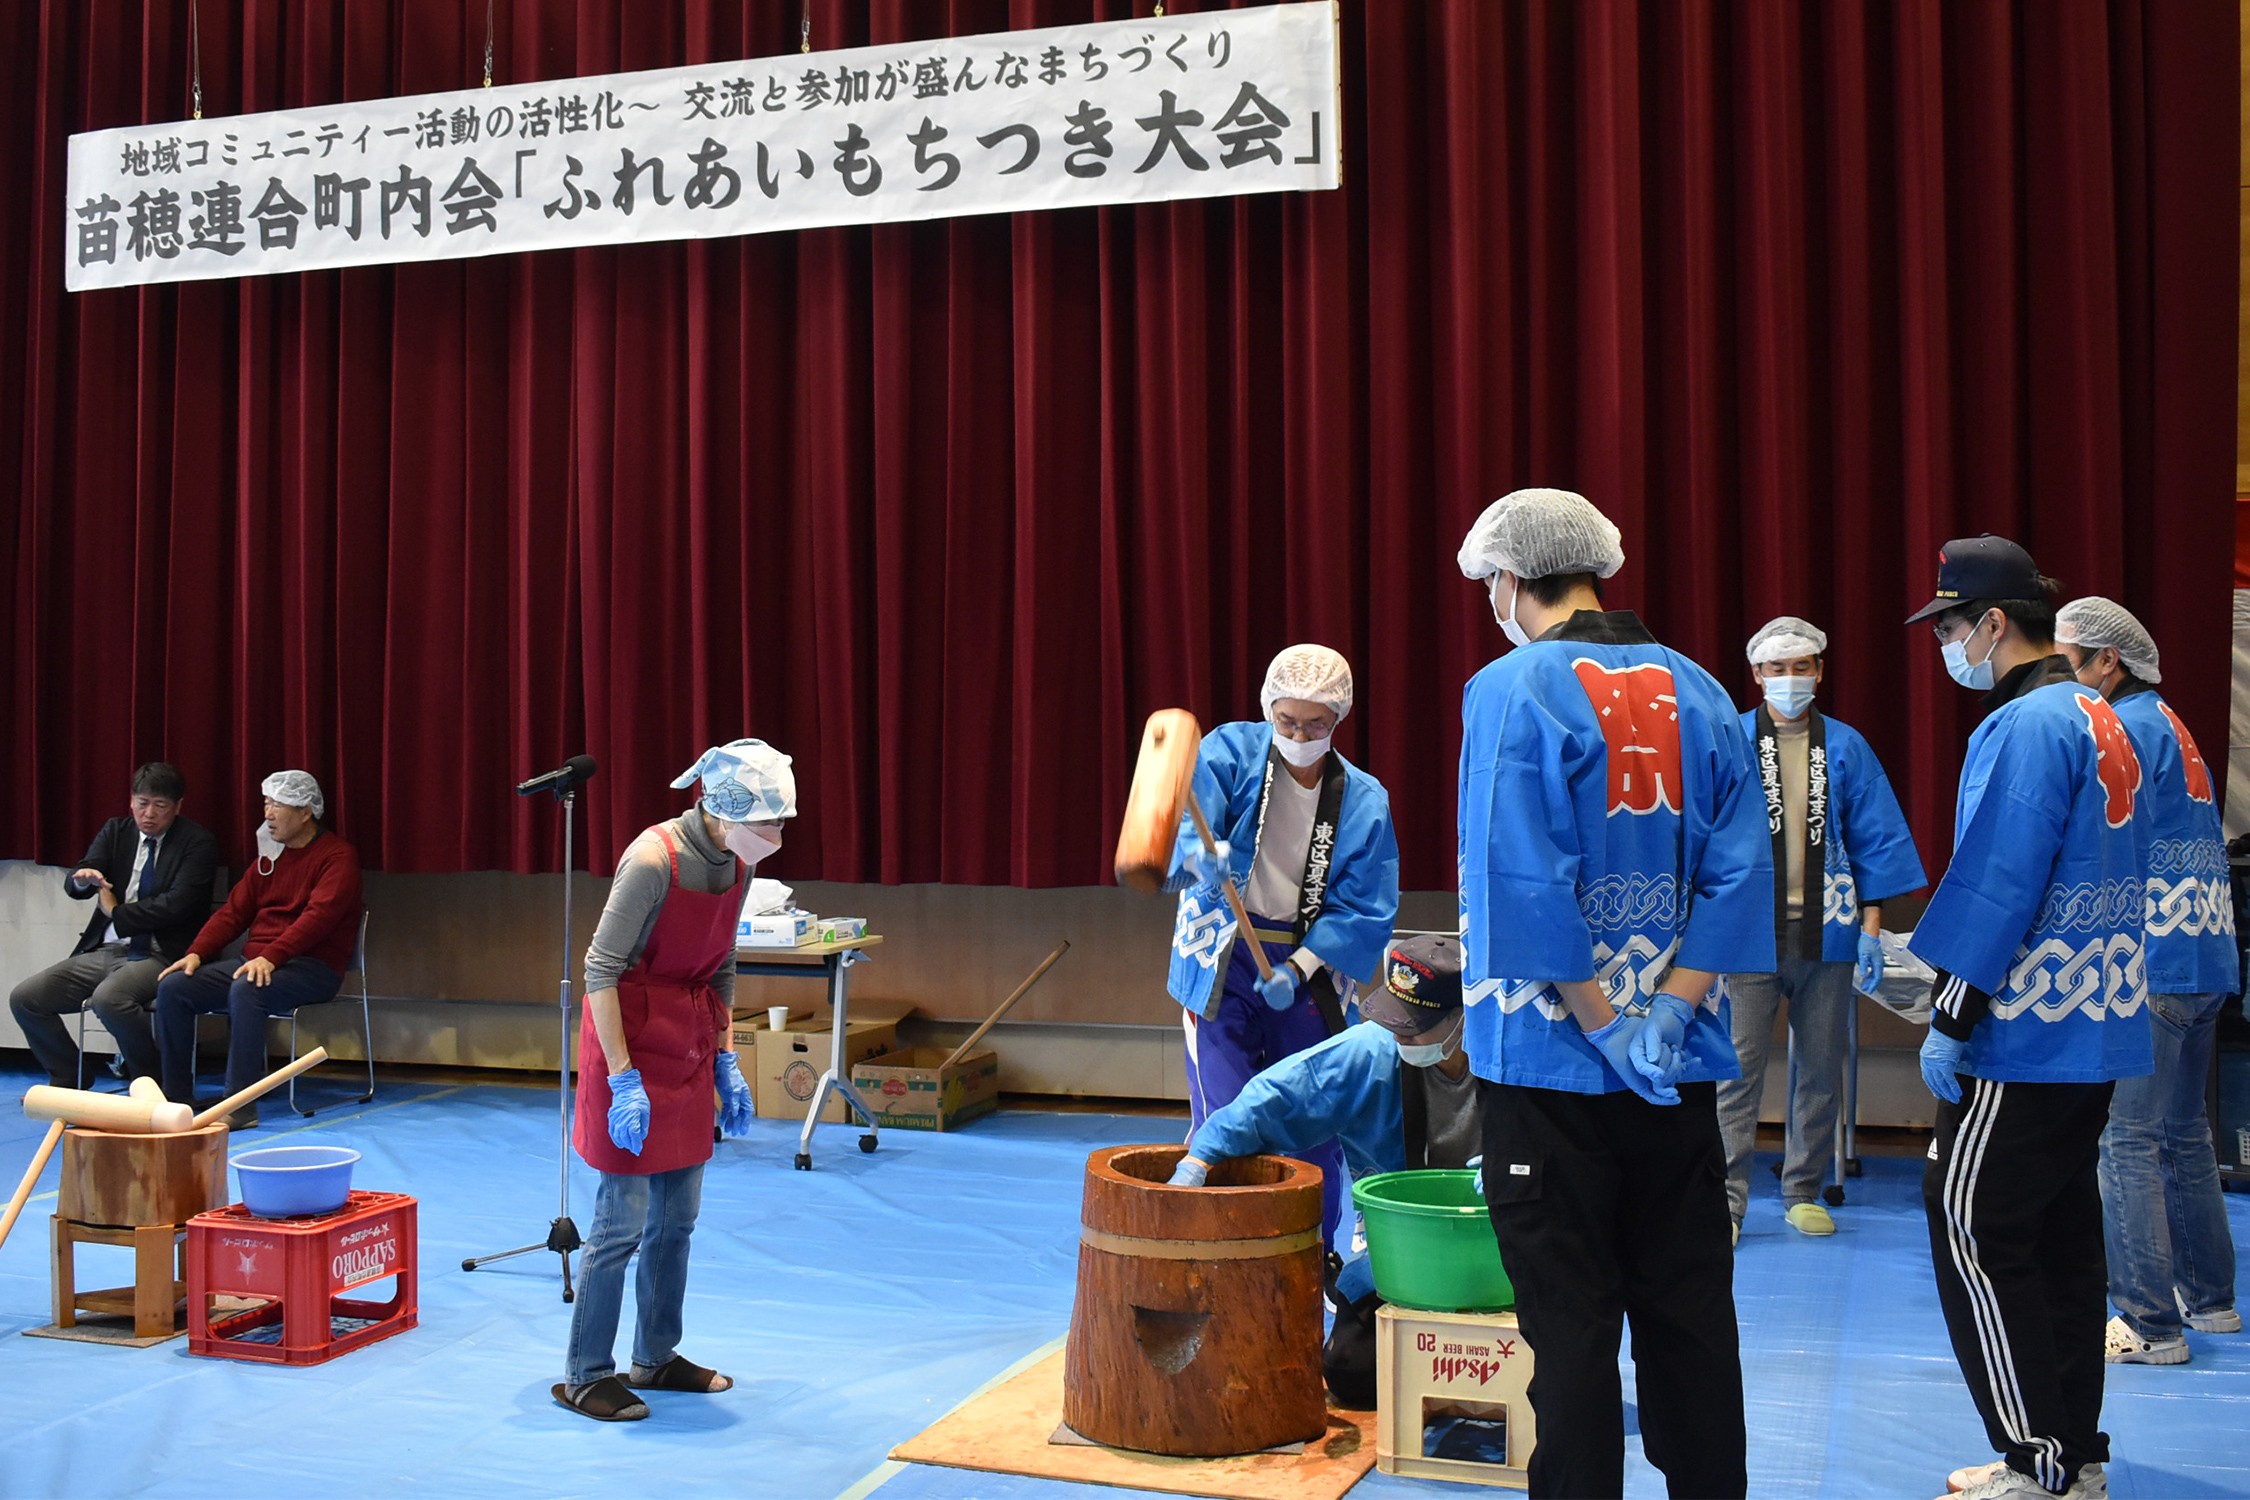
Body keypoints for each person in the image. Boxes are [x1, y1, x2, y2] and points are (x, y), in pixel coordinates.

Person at [1454, 487, 1773, 1500]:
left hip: (1549, 1070)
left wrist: (1600, 1024)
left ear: (1509, 581)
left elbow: (1521, 872)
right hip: (1674, 1075)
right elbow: (1738, 868)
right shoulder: (1705, 690)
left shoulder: (1514, 688)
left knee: (1571, 1329)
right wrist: (1668, 1011)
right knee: (1689, 1319)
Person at [1905, 538, 2151, 1500]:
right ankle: (2076, 1454)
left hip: (2026, 1032)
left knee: (1970, 1223)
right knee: (2057, 1240)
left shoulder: (2026, 727)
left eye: (1952, 628)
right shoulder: (2105, 714)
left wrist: (1952, 1013)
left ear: (1993, 624)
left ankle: (2036, 1460)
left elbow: (1999, 881)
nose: (1949, 648)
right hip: (2096, 1020)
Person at [554, 738, 782, 1423]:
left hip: (685, 1042)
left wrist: (725, 1055)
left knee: (677, 1221)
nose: (773, 835)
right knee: (619, 1224)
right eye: (768, 820)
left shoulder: (736, 866)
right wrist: (623, 1079)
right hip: (626, 1043)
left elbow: (722, 967)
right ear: (723, 807)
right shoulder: (652, 860)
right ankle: (586, 1373)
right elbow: (600, 970)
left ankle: (655, 1356)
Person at [1169, 934, 1475, 1409]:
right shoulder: (1373, 1053)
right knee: (1351, 1374)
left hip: (1499, 1251)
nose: (1400, 1038)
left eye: (1414, 1029)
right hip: (1407, 1257)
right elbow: (1276, 1098)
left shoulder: (1515, 1060)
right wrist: (1200, 1157)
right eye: (1394, 1022)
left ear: (1462, 1020)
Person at [2053, 597, 2240, 1365]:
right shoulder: (2173, 721)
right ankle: (2213, 1301)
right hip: (2206, 951)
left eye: (2066, 659)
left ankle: (2149, 1323)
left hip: (2153, 960)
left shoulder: (2120, 727)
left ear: (2107, 663)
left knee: (2124, 1139)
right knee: (2183, 1133)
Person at [1164, 644, 1401, 1249]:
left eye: (1314, 725)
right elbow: (1193, 817)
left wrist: (1298, 969)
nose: (1299, 734)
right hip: (1221, 954)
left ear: (1338, 721)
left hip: (1308, 970)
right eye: (1287, 721)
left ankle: (1308, 1255)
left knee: (1314, 1111)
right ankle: (1230, 1251)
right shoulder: (1232, 752)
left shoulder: (1363, 799)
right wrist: (1198, 849)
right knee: (1228, 1105)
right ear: (1269, 708)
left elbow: (1364, 906)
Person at [1720, 617, 1924, 1239]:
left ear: (1820, 671)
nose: (1789, 680)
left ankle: (1803, 1188)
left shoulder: (1846, 747)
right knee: (1735, 1070)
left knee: (1820, 1065)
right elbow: (1701, 835)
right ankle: (1724, 1199)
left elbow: (1874, 841)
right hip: (1748, 934)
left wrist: (1871, 928)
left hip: (1831, 933)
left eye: (1800, 667)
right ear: (1755, 676)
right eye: (1776, 669)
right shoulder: (1728, 741)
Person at [154, 771, 361, 1124]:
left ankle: (239, 1105)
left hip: (311, 967)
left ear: (306, 811)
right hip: (255, 962)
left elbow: (318, 918)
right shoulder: (268, 858)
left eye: (277, 805)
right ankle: (176, 1099)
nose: (267, 814)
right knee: (174, 987)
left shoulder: (337, 857)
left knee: (248, 987)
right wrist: (196, 952)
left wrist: (272, 955)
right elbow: (233, 912)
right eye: (265, 804)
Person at [10, 762, 217, 1089]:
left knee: (109, 999)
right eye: (142, 803)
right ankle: (70, 1080)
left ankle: (150, 1084)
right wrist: (83, 880)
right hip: (107, 949)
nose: (148, 814)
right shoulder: (116, 831)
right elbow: (84, 873)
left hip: (161, 953)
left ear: (177, 807)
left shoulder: (197, 843)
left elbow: (177, 907)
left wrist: (116, 913)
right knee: (25, 998)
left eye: (160, 806)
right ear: (131, 802)